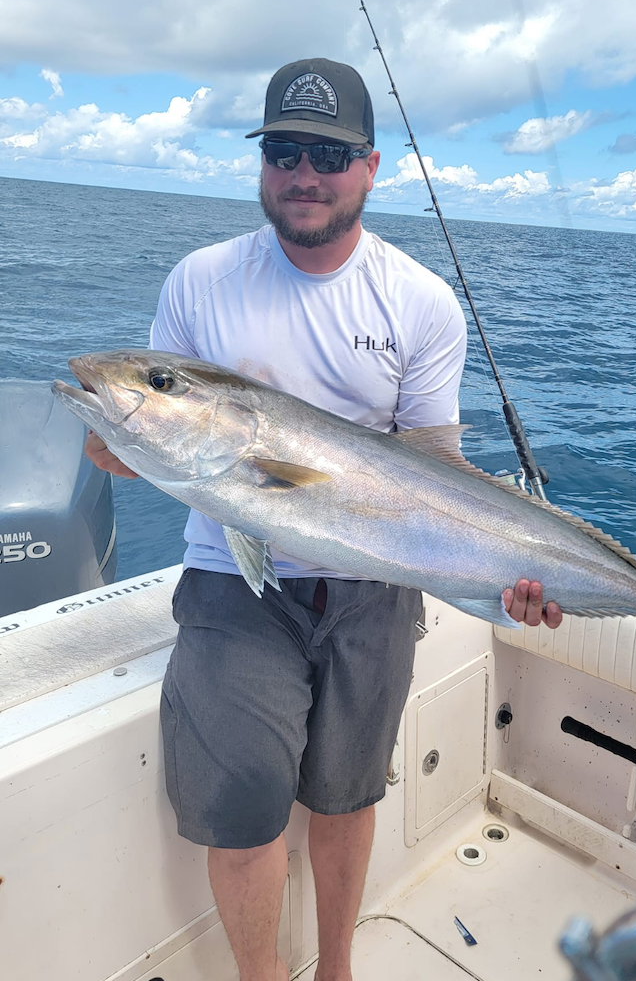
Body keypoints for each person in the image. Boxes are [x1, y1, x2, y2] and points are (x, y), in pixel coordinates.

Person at [86, 57, 563, 981]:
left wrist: (508, 582)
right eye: (285, 151)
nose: (305, 173)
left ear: (372, 168)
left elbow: (434, 476)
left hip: (375, 586)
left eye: (329, 155)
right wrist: (128, 441)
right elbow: (189, 454)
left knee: (346, 799)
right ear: (264, 163)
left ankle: (337, 970)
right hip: (235, 579)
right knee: (243, 807)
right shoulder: (201, 281)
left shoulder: (420, 301)